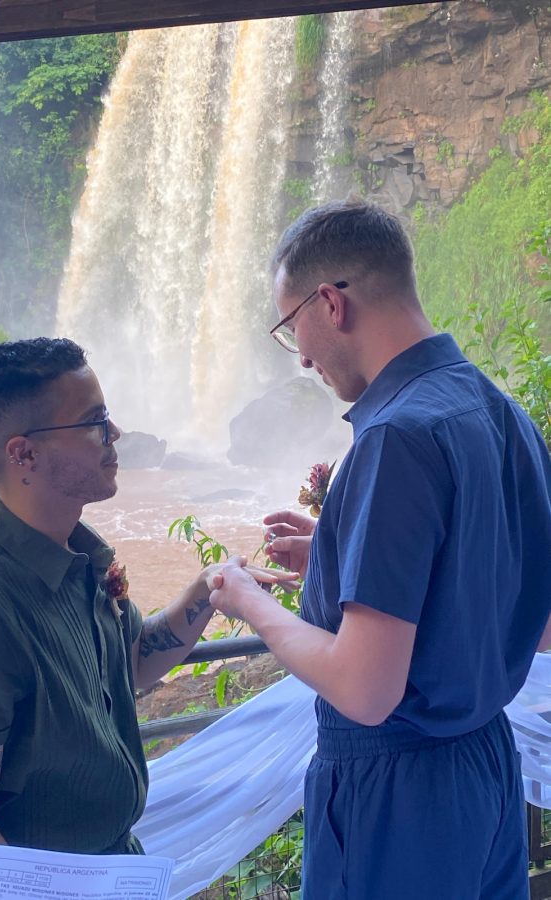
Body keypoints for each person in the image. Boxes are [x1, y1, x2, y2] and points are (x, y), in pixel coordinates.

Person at [206, 199, 551, 899]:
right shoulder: (497, 411)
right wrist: (338, 551)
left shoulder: (396, 435)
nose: (298, 355)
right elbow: (534, 621)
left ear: (329, 303)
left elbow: (366, 691)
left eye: (289, 326)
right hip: (485, 770)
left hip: (396, 794)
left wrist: (250, 604)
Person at [0, 337, 285, 854]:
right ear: (23, 453)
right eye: (96, 421)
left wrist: (205, 592)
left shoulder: (79, 559)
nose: (116, 434)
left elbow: (134, 662)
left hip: (115, 868)